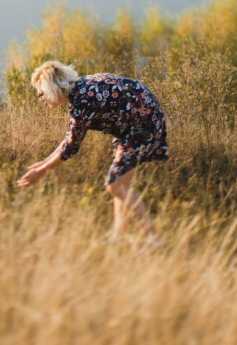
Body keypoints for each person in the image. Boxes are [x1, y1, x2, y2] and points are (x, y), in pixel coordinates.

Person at [16, 60, 168, 240]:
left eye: (41, 94)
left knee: (115, 184)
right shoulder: (81, 89)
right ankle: (118, 237)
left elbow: (71, 147)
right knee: (120, 182)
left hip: (142, 126)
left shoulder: (83, 100)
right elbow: (69, 139)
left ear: (53, 88)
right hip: (134, 126)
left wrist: (41, 171)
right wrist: (44, 162)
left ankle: (153, 239)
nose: (40, 100)